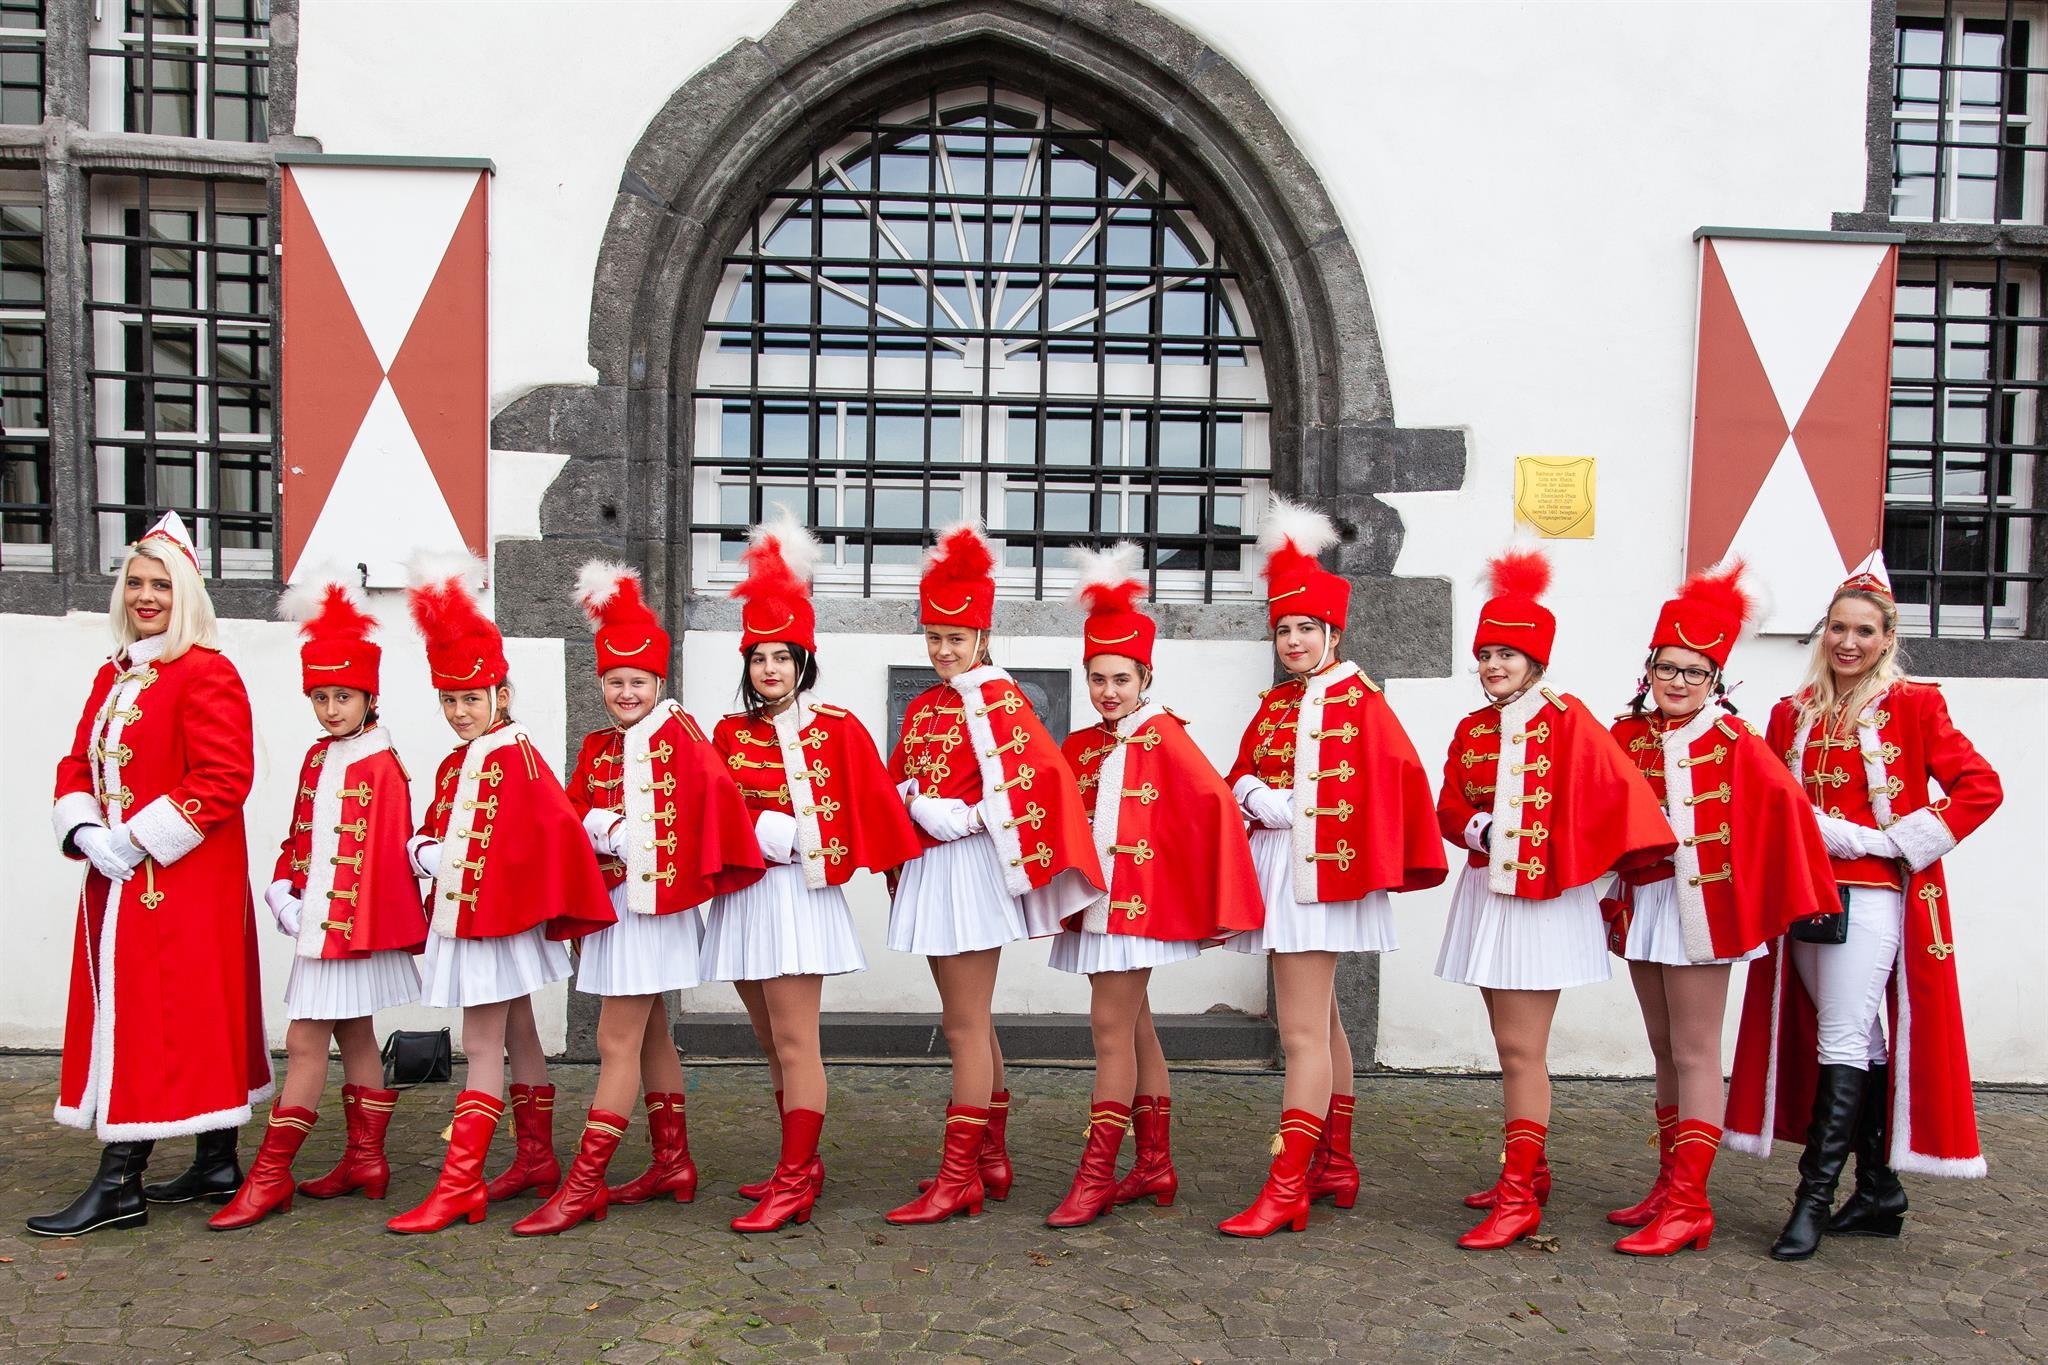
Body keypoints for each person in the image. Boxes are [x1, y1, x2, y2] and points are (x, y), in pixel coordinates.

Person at [1727, 553, 2003, 1260]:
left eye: (1864, 631)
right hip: (1805, 894)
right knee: (1859, 1038)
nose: (1848, 642)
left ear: (1886, 639)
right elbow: (1762, 796)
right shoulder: (1790, 712)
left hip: (1872, 892)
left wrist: (1889, 841)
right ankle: (1879, 1190)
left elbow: (1980, 787)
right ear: (1824, 632)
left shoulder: (1915, 705)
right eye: (1838, 628)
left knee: (1843, 1036)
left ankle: (1811, 1201)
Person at [30, 511, 271, 1237]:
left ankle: (120, 1183)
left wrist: (136, 839)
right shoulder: (115, 673)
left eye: (160, 584)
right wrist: (84, 829)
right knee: (166, 1013)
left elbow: (225, 776)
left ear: (185, 593)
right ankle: (217, 1162)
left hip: (183, 882)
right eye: (135, 582)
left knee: (166, 1016)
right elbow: (78, 762)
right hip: (120, 878)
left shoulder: (208, 671)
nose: (145, 595)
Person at [512, 563, 767, 1236]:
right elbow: (571, 814)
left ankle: (583, 1184)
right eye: (616, 682)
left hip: (654, 911)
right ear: (601, 684)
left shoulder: (680, 736)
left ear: (659, 684)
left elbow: (713, 807)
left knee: (614, 1038)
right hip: (613, 909)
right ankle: (672, 1163)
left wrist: (636, 834)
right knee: (651, 1034)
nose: (627, 693)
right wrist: (602, 826)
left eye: (639, 682)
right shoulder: (598, 745)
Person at [1433, 547, 1673, 1250]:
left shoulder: (1569, 720)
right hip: (1486, 893)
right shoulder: (1474, 726)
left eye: (1507, 654)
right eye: (1486, 654)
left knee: (1520, 1049)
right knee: (1504, 1040)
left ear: (1535, 660)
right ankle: (1529, 1172)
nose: (1493, 666)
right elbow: (1449, 804)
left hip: (1541, 902)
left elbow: (1618, 802)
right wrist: (1480, 827)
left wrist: (1574, 862)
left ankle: (1518, 1197)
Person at [1219, 500, 1448, 1237]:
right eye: (1283, 629)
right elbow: (1241, 770)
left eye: (1305, 629)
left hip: (1320, 880)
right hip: (1279, 871)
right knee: (1323, 1023)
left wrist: (1307, 807)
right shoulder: (1278, 702)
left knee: (1299, 1035)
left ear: (1333, 633)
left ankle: (1287, 1182)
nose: (1292, 640)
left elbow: (1394, 780)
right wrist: (1255, 794)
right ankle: (1333, 1162)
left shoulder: (1359, 701)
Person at [1601, 562, 1835, 1256]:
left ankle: (1690, 1203)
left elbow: (1787, 815)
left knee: (1697, 1050)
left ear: (1716, 679)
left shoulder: (1737, 743)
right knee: (1663, 1048)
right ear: (1649, 669)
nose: (1678, 682)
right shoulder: (1627, 734)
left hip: (1702, 913)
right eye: (1667, 667)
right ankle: (1667, 1181)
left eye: (1694, 672)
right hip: (1643, 905)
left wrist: (1747, 883)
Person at [707, 514, 923, 1232]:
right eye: (759, 658)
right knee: (769, 1041)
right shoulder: (727, 733)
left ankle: (796, 1180)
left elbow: (873, 814)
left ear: (805, 660)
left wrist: (795, 837)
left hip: (799, 901)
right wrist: (754, 831)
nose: (770, 669)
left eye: (783, 656)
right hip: (744, 899)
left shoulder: (836, 728)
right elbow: (710, 811)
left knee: (798, 1042)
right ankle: (796, 1162)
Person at [386, 558, 615, 1234]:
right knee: (519, 1034)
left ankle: (459, 1184)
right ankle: (537, 1159)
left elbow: (550, 832)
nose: (460, 712)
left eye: (471, 698)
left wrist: (473, 865)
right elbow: (439, 825)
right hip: (469, 920)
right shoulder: (459, 760)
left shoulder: (517, 756)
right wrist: (426, 851)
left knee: (481, 1043)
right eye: (449, 701)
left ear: (501, 694)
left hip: (495, 924)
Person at [884, 522, 1103, 1225]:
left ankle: (959, 1178)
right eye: (934, 637)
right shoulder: (926, 703)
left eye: (956, 637)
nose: (943, 650)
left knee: (962, 1025)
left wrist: (972, 816)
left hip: (970, 873)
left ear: (982, 635)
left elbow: (1040, 779)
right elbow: (901, 773)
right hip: (932, 866)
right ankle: (988, 1158)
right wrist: (914, 800)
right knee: (969, 1021)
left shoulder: (1001, 698)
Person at [1044, 544, 1264, 1229]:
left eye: (1122, 678)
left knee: (1109, 1032)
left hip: (1131, 917)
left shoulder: (1163, 735)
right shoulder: (1084, 743)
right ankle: (1154, 1164)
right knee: (1135, 1030)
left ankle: (1095, 1177)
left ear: (1146, 676)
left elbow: (1213, 805)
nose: (1109, 691)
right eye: (1097, 678)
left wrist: (1180, 885)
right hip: (1096, 911)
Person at [210, 575, 429, 1230]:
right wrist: (285, 885)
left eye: (344, 696)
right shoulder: (317, 756)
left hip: (346, 933)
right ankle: (366, 1160)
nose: (332, 709)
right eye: (321, 697)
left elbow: (381, 859)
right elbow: (300, 834)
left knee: (304, 1042)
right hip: (319, 923)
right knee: (355, 1032)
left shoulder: (382, 764)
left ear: (369, 697)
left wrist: (327, 920)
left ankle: (269, 1176)